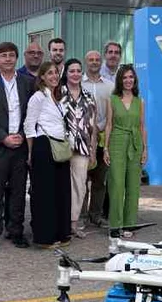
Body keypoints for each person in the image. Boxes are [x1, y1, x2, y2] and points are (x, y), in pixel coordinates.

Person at [0, 42, 34, 250]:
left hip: (20, 145)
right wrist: (4, 137)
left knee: (18, 191)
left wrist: (21, 135)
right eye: (4, 56)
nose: (8, 59)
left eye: (11, 55)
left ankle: (16, 231)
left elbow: (32, 112)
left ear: (16, 59)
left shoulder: (28, 82)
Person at [25, 61, 73, 247]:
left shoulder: (57, 97)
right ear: (42, 77)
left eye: (56, 73)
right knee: (45, 194)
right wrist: (30, 153)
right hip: (43, 146)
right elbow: (29, 125)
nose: (54, 76)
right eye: (49, 73)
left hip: (59, 146)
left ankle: (61, 233)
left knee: (61, 192)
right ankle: (44, 237)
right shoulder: (38, 97)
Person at [104, 65, 147, 238]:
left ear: (135, 80)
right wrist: (105, 148)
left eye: (131, 77)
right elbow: (109, 124)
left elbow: (142, 126)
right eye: (125, 77)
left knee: (133, 186)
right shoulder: (112, 99)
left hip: (135, 144)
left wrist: (145, 149)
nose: (128, 80)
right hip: (117, 142)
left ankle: (130, 225)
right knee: (116, 185)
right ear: (120, 80)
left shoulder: (140, 101)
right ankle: (115, 225)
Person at [60, 58, 97, 238]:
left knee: (79, 186)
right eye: (71, 71)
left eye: (78, 71)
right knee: (60, 185)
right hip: (61, 147)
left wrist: (93, 149)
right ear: (66, 73)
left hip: (82, 148)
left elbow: (93, 126)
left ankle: (73, 223)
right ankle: (60, 222)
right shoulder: (58, 93)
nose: (75, 74)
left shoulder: (89, 96)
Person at [82, 50, 113, 227]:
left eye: (97, 60)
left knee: (99, 180)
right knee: (82, 179)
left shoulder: (109, 86)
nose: (94, 62)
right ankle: (82, 215)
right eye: (91, 60)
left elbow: (111, 112)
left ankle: (96, 214)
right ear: (86, 62)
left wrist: (99, 127)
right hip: (83, 139)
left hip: (102, 139)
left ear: (101, 62)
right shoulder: (79, 83)